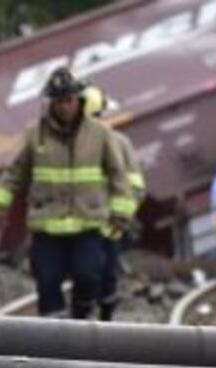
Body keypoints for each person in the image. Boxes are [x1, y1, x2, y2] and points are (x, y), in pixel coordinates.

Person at [0, 68, 135, 319]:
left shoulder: (100, 134)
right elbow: (14, 173)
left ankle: (80, 318)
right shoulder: (35, 135)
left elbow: (118, 175)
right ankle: (53, 329)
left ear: (79, 100)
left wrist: (121, 213)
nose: (65, 107)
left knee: (88, 275)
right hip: (47, 226)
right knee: (46, 279)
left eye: (69, 100)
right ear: (50, 103)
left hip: (87, 222)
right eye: (59, 102)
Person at [81, 84, 146, 321]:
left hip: (107, 226)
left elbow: (135, 187)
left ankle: (103, 322)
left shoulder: (118, 143)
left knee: (106, 278)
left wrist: (120, 216)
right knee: (86, 278)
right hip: (80, 227)